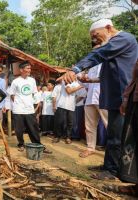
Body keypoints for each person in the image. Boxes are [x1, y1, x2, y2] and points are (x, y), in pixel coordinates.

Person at [59, 19, 138, 179]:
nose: (94, 40)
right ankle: (109, 165)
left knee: (116, 135)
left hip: (121, 95)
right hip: (112, 95)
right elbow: (109, 73)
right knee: (112, 133)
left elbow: (98, 54)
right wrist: (92, 80)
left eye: (96, 35)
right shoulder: (115, 45)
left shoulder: (124, 39)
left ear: (109, 28)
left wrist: (75, 69)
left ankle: (112, 170)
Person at [8, 61, 52, 153]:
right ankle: (21, 144)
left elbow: (35, 93)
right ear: (21, 70)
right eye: (27, 68)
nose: (29, 70)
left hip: (29, 109)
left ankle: (38, 145)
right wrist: (18, 103)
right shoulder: (15, 81)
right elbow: (12, 94)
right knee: (19, 130)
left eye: (30, 68)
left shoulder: (32, 80)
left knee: (33, 129)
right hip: (18, 110)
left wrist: (35, 104)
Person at [78, 44, 108, 158]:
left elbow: (108, 80)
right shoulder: (91, 67)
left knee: (109, 125)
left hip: (103, 98)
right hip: (90, 98)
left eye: (98, 49)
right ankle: (90, 148)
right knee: (89, 126)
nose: (96, 52)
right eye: (94, 50)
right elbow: (87, 85)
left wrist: (90, 80)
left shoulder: (107, 63)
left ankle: (115, 150)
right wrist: (80, 79)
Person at [119, 60, 138, 185]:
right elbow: (134, 79)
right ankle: (131, 179)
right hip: (134, 98)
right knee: (130, 139)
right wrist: (126, 98)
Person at [52, 80, 84, 144]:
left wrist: (74, 102)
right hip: (62, 105)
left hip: (71, 107)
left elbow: (81, 95)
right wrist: (80, 87)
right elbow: (69, 91)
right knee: (59, 122)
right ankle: (57, 136)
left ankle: (68, 137)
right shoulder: (66, 81)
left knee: (70, 123)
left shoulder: (78, 83)